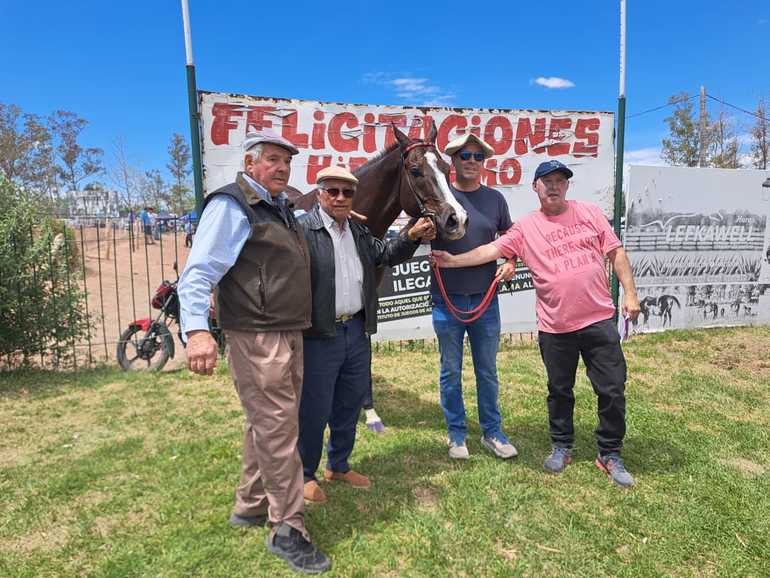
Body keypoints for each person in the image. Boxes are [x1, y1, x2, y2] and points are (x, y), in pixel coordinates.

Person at [431, 160, 642, 487]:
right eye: (547, 181)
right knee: (559, 391)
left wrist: (630, 294)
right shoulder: (527, 227)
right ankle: (561, 446)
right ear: (535, 187)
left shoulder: (590, 212)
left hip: (598, 319)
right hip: (555, 326)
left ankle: (609, 453)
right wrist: (453, 260)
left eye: (560, 180)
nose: (554, 186)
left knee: (612, 389)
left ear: (568, 186)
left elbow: (615, 253)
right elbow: (491, 249)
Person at [178, 130, 330, 574]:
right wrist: (196, 332)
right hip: (257, 335)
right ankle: (287, 528)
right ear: (250, 165)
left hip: (286, 331)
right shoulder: (232, 204)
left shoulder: (279, 207)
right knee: (280, 429)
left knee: (265, 423)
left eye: (287, 161)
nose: (282, 167)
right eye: (273, 160)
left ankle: (250, 504)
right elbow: (199, 271)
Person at [297, 166, 436, 503]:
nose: (341, 198)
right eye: (333, 191)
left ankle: (339, 464)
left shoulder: (358, 232)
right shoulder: (302, 229)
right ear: (319, 194)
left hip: (356, 330)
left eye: (347, 192)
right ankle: (304, 474)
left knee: (349, 402)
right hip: (320, 333)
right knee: (314, 409)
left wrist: (411, 236)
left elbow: (385, 255)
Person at [429, 133, 518, 460]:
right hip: (445, 301)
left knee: (487, 371)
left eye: (477, 157)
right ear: (453, 161)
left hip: (485, 301)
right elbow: (414, 232)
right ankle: (457, 435)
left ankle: (492, 432)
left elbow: (511, 238)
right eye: (464, 155)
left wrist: (510, 261)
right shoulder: (439, 197)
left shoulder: (495, 200)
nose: (471, 161)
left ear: (484, 163)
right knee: (450, 371)